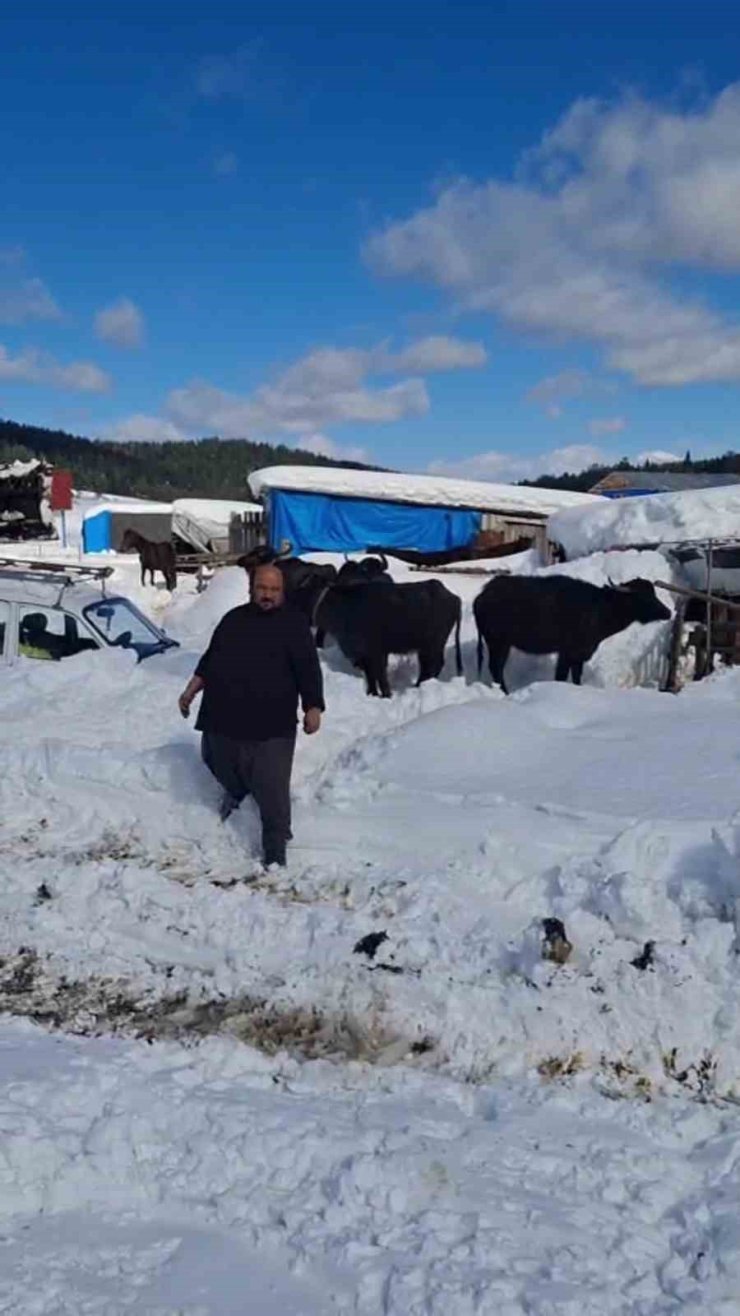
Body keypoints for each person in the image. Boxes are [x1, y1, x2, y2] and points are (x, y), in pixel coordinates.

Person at [178, 563, 324, 868]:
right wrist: (191, 690)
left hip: (271, 724)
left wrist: (313, 706)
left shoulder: (294, 624)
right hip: (223, 717)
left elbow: (308, 669)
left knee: (272, 789)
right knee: (215, 760)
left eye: (274, 590)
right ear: (251, 589)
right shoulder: (234, 620)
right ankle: (239, 797)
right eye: (262, 588)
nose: (267, 595)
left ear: (282, 592)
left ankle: (275, 853)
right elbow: (210, 661)